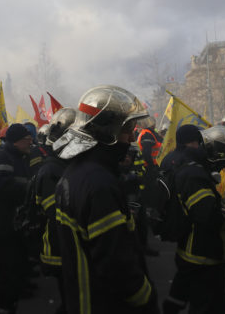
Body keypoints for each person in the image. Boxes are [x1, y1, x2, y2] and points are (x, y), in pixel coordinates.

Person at [54, 85, 158, 313]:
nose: (132, 137)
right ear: (105, 131)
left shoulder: (77, 172)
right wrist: (146, 298)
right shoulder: (99, 184)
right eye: (127, 129)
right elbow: (115, 264)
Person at [161, 125, 225, 314]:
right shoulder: (194, 173)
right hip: (201, 252)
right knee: (206, 303)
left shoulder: (182, 163)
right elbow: (206, 216)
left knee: (182, 290)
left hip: (188, 246)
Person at [0, 123, 34, 313]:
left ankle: (10, 304)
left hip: (15, 225)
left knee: (17, 269)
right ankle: (2, 308)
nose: (31, 143)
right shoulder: (1, 156)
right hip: (3, 225)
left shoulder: (21, 157)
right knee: (8, 272)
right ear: (16, 142)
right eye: (27, 140)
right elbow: (1, 186)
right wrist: (30, 190)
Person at [34, 107, 77, 314]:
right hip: (60, 241)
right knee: (69, 292)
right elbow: (56, 213)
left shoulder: (62, 165)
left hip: (68, 241)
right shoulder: (50, 170)